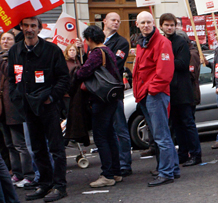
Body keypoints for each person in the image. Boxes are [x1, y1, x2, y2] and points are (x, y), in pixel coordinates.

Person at [6, 17, 70, 202]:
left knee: (56, 148)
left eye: (33, 26)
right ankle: (45, 184)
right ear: (21, 27)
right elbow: (12, 78)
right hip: (27, 107)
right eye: (26, 26)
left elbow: (64, 79)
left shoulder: (52, 50)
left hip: (48, 107)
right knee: (37, 148)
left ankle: (60, 186)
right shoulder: (15, 51)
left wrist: (51, 98)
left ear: (40, 29)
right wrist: (16, 98)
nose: (29, 29)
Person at [133, 11, 179, 187]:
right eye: (142, 22)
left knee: (161, 135)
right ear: (137, 24)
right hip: (147, 94)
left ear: (154, 23)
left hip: (154, 94)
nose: (146, 25)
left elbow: (164, 72)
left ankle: (166, 172)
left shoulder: (161, 42)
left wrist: (151, 90)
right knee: (161, 134)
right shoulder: (143, 43)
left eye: (148, 22)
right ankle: (172, 169)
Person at [74, 26, 122, 188]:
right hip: (111, 97)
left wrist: (77, 68)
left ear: (88, 40)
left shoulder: (96, 53)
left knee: (101, 136)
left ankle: (107, 174)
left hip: (101, 99)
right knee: (110, 135)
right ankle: (116, 171)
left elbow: (83, 73)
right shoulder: (107, 50)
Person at [160, 13, 202, 167]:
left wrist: (164, 61)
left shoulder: (181, 42)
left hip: (183, 90)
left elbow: (182, 64)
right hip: (170, 89)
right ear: (162, 26)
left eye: (172, 25)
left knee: (188, 123)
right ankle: (183, 153)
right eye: (167, 25)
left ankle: (196, 154)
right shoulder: (163, 41)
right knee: (177, 124)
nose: (170, 28)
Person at [0, 31, 35, 187]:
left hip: (13, 107)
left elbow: (11, 74)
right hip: (2, 109)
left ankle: (29, 174)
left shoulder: (15, 57)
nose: (6, 41)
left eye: (9, 39)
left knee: (20, 144)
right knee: (9, 144)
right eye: (3, 39)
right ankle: (17, 173)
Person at [103, 12, 132, 177]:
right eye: (113, 20)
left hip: (113, 89)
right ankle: (111, 163)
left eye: (118, 21)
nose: (116, 23)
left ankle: (124, 164)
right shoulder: (97, 40)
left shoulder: (121, 42)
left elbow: (115, 62)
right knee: (106, 130)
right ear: (105, 21)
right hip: (100, 91)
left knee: (120, 128)